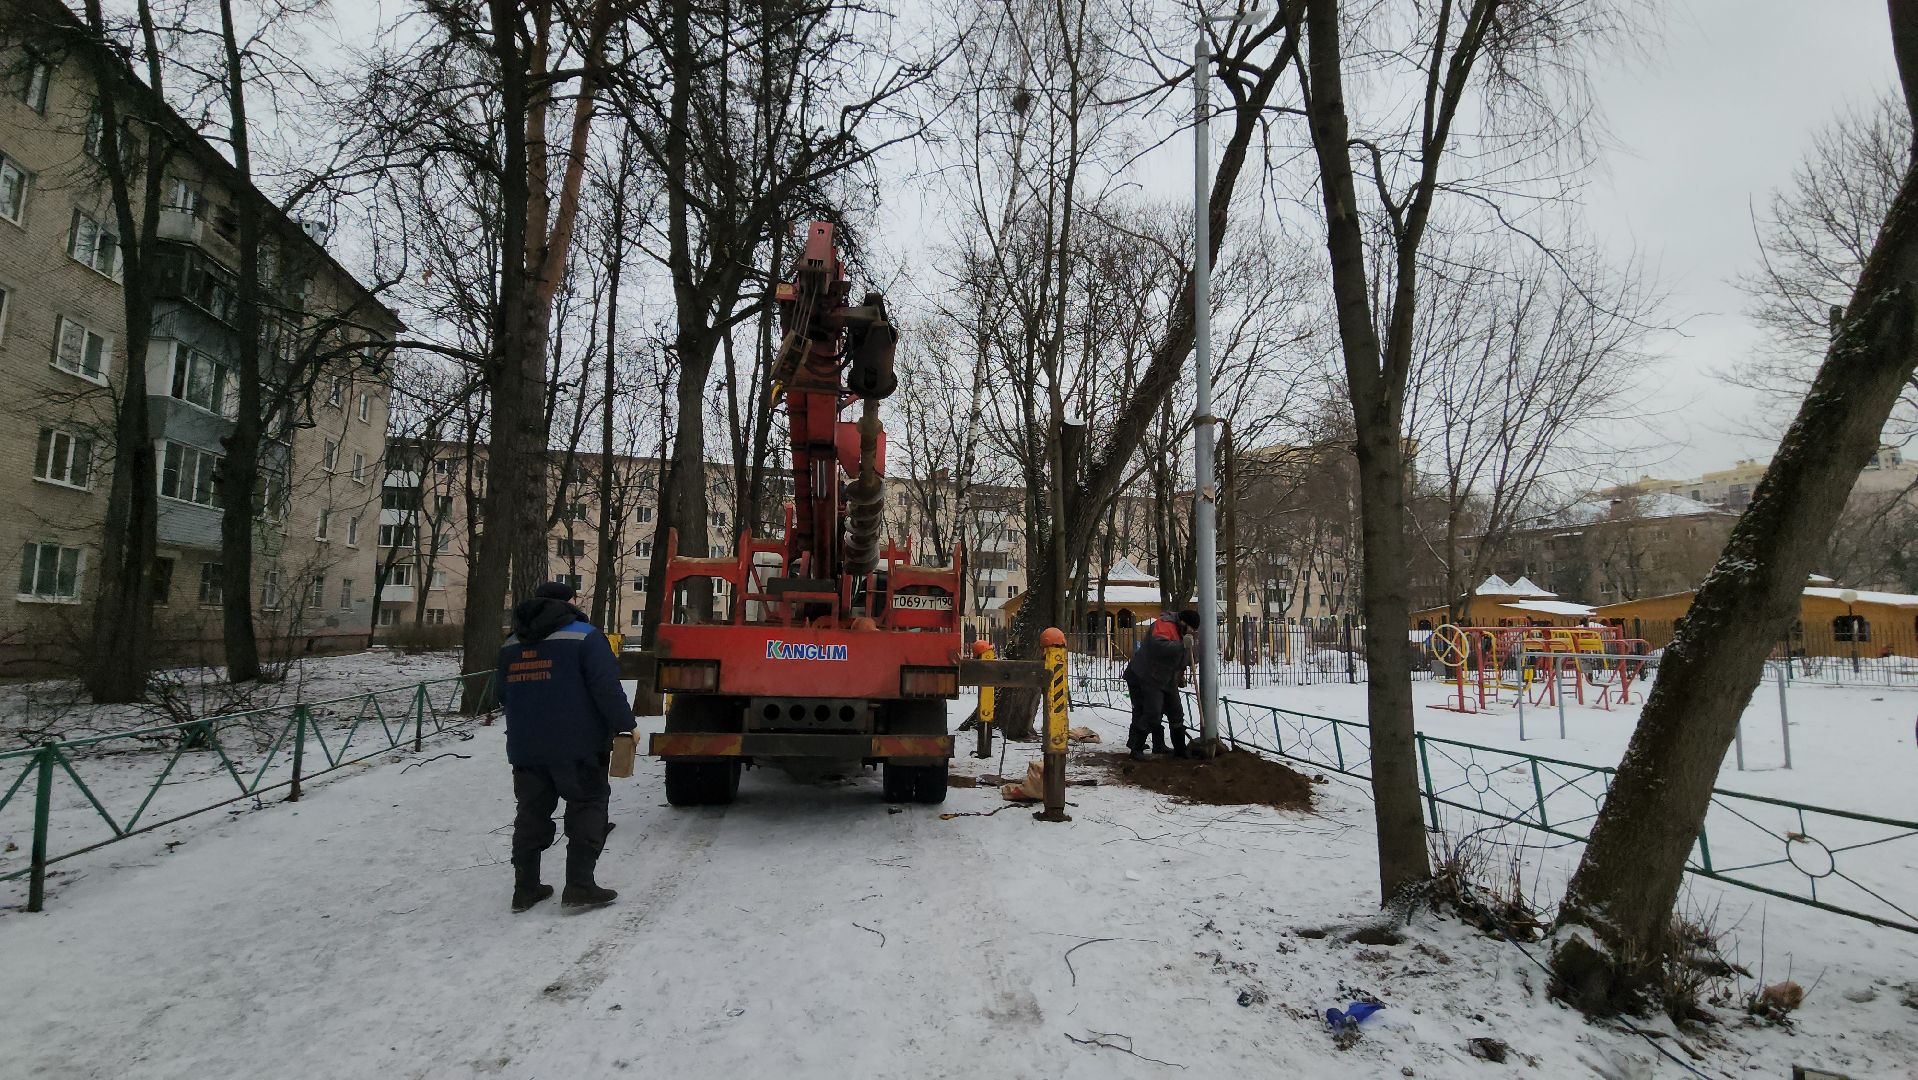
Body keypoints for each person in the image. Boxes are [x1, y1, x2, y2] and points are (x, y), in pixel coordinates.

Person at [497, 580, 635, 912]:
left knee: (530, 813)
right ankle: (580, 886)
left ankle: (526, 888)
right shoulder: (585, 636)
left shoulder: (511, 643)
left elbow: (501, 695)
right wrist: (625, 725)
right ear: (570, 601)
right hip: (579, 745)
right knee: (587, 806)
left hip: (525, 747)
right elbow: (605, 687)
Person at [1124, 610, 1200, 761]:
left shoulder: (1183, 633)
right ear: (1183, 622)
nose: (1192, 632)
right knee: (1152, 712)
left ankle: (1179, 749)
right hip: (1147, 674)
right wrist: (1181, 645)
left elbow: (1183, 656)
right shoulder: (1164, 624)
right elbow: (1158, 646)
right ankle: (1136, 748)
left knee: (1176, 712)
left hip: (1166, 678)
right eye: (1191, 628)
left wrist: (1181, 673)